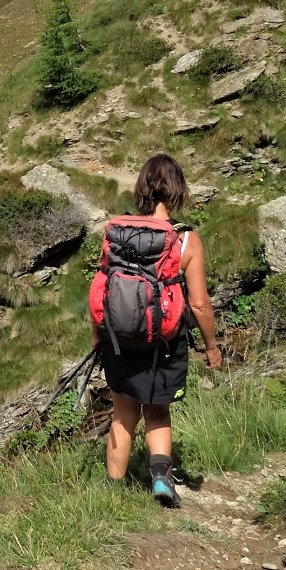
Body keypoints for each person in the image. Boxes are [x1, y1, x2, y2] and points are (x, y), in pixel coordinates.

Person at [89, 153, 222, 507]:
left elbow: (102, 286)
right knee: (158, 412)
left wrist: (98, 338)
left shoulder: (117, 232)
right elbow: (199, 304)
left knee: (122, 414)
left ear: (141, 188)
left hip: (118, 339)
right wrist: (211, 346)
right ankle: (161, 482)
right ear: (178, 190)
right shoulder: (185, 240)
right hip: (164, 340)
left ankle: (112, 492)